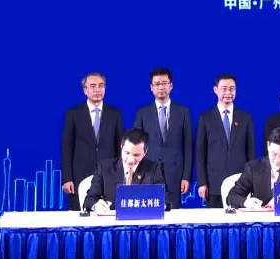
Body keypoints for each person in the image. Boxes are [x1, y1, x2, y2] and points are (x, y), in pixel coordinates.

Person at [61, 72, 123, 211]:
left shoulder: (115, 113)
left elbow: (120, 146)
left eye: (101, 86)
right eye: (93, 86)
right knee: (80, 215)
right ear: (85, 90)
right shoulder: (73, 114)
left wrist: (120, 175)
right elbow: (66, 147)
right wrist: (67, 178)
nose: (97, 90)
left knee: (107, 214)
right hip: (79, 175)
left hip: (108, 175)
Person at [134, 68, 192, 208]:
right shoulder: (142, 113)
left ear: (171, 86)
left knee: (174, 216)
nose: (161, 87)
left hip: (175, 175)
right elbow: (135, 145)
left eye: (164, 83)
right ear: (151, 87)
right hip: (149, 174)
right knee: (149, 214)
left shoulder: (183, 111)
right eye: (157, 84)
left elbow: (188, 146)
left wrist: (186, 177)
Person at [197, 74, 256, 208]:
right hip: (214, 184)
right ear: (215, 90)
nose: (228, 93)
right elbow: (200, 154)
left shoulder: (245, 117)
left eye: (232, 89)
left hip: (240, 184)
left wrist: (252, 181)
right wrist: (202, 183)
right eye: (224, 89)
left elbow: (251, 152)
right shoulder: (205, 118)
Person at [227, 126, 280, 209]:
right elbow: (232, 196)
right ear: (268, 146)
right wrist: (246, 202)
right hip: (261, 216)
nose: (278, 160)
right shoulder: (253, 168)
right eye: (274, 154)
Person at [84, 128, 165, 212]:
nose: (130, 160)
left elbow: (165, 200)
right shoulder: (104, 168)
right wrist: (96, 206)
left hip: (142, 218)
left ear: (145, 152)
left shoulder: (154, 169)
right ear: (121, 146)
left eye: (136, 155)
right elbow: (89, 199)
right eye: (127, 153)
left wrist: (160, 204)